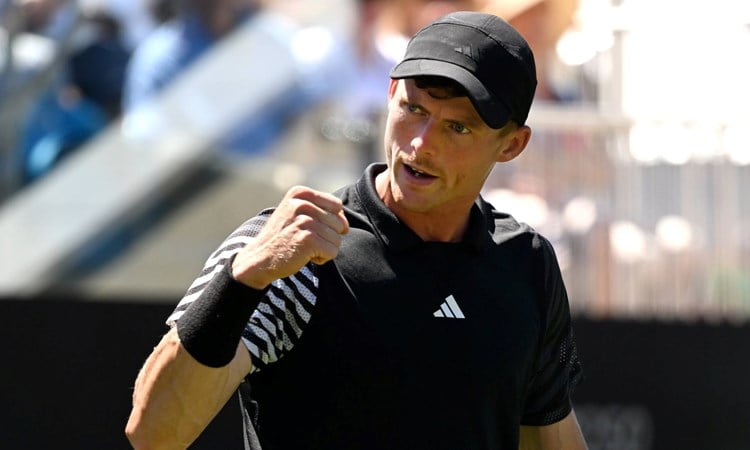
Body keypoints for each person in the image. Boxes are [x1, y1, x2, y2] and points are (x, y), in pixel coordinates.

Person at [126, 11, 587, 450]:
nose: (420, 144)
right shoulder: (289, 247)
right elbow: (154, 433)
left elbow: (549, 433)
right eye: (413, 108)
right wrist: (243, 277)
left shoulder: (527, 262)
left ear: (512, 145)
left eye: (457, 128)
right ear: (389, 94)